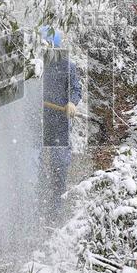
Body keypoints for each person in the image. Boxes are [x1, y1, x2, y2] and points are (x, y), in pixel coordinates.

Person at [39, 26, 81, 222]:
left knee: (59, 166)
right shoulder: (35, 66)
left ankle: (55, 212)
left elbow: (75, 89)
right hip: (38, 123)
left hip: (59, 123)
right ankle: (37, 208)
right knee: (36, 169)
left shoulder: (68, 66)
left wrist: (72, 102)